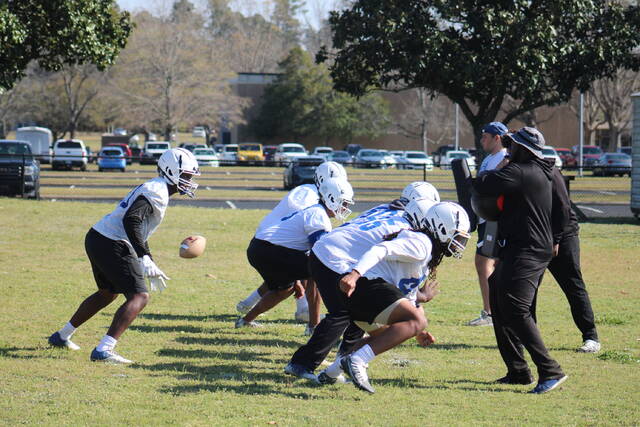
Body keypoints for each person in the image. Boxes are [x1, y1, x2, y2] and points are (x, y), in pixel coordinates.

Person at [47, 148, 200, 364]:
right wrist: (144, 257)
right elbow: (132, 220)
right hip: (112, 241)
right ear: (171, 170)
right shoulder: (157, 191)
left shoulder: (156, 187)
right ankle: (104, 349)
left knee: (107, 293)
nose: (189, 181)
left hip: (98, 237)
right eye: (186, 175)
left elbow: (138, 228)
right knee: (139, 296)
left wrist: (148, 258)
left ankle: (62, 336)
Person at [284, 181, 440, 381]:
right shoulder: (409, 231)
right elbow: (391, 267)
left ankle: (342, 359)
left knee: (360, 307)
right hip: (337, 258)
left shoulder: (385, 208)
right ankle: (303, 364)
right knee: (344, 312)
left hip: (329, 251)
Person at [319, 201, 471, 393]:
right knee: (417, 320)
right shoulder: (422, 243)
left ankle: (331, 372)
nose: (460, 244)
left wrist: (417, 331)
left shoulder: (426, 251)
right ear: (441, 228)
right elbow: (380, 249)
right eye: (458, 237)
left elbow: (408, 294)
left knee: (387, 335)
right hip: (364, 287)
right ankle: (358, 361)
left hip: (364, 293)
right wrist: (355, 274)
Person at [473, 127, 568, 394]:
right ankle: (518, 371)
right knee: (497, 294)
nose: (508, 148)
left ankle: (551, 370)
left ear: (522, 149)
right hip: (522, 246)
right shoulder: (541, 170)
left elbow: (482, 184)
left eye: (512, 145)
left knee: (515, 307)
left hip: (528, 249)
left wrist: (502, 164)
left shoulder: (519, 171)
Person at [235, 161, 348, 334]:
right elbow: (319, 253)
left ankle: (244, 320)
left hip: (265, 246)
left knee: (283, 289)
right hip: (272, 246)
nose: (344, 206)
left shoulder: (316, 205)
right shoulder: (312, 201)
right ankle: (313, 325)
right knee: (316, 271)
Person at [548, 165, 601, 352]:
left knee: (573, 285)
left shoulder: (549, 171)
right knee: (526, 289)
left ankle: (591, 337)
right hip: (536, 236)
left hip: (563, 235)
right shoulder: (515, 170)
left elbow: (563, 207)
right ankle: (526, 337)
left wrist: (556, 239)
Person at [468, 121, 508, 327]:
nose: (482, 139)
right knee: (489, 264)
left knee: (484, 262)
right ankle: (494, 311)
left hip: (494, 220)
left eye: (486, 136)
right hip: (485, 219)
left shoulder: (504, 157)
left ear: (497, 138)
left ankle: (490, 313)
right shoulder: (489, 158)